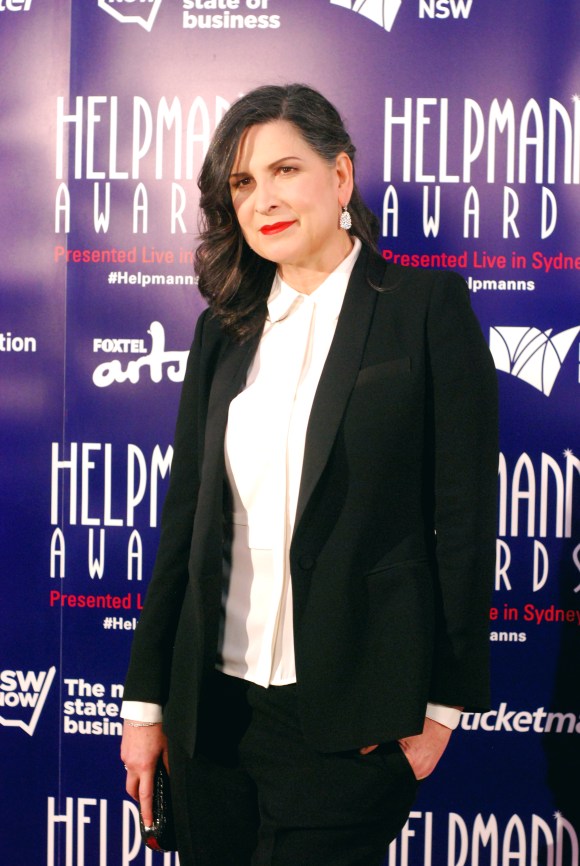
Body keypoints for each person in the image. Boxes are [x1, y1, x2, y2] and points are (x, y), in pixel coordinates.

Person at [120, 83, 498, 866]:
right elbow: (183, 526)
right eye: (243, 182)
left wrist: (441, 711)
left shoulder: (425, 308)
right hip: (210, 720)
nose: (265, 199)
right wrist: (146, 706)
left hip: (349, 727)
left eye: (285, 169)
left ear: (341, 176)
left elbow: (464, 522)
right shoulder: (222, 330)